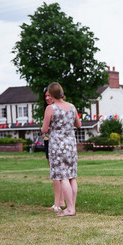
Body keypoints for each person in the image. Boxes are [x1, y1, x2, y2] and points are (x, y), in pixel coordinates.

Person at [41, 82, 81, 217]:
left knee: (62, 177)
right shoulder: (72, 107)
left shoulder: (50, 108)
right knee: (72, 177)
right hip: (71, 144)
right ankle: (72, 206)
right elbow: (78, 124)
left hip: (57, 145)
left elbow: (45, 129)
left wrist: (47, 129)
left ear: (51, 94)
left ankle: (70, 209)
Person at [43, 89, 65, 212]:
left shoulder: (56, 108)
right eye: (45, 96)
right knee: (53, 170)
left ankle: (59, 202)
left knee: (58, 173)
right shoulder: (48, 108)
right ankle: (60, 200)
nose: (47, 98)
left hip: (57, 143)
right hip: (48, 141)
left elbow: (45, 128)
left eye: (49, 95)